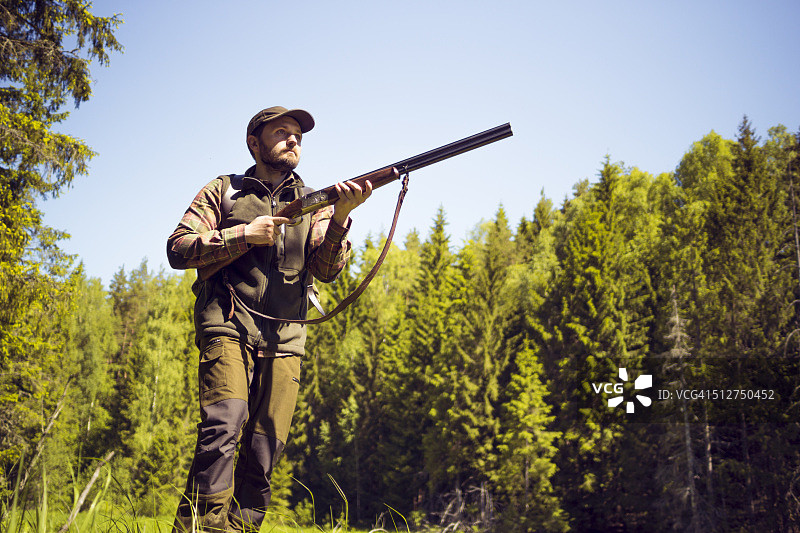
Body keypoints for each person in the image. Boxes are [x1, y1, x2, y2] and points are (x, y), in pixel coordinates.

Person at [166, 106, 372, 532]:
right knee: (224, 426)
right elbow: (178, 248)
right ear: (254, 143)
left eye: (298, 134)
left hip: (285, 340)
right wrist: (244, 234)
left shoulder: (317, 202)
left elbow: (327, 270)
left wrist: (340, 218)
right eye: (282, 132)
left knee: (264, 449)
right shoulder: (224, 191)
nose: (294, 139)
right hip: (227, 324)